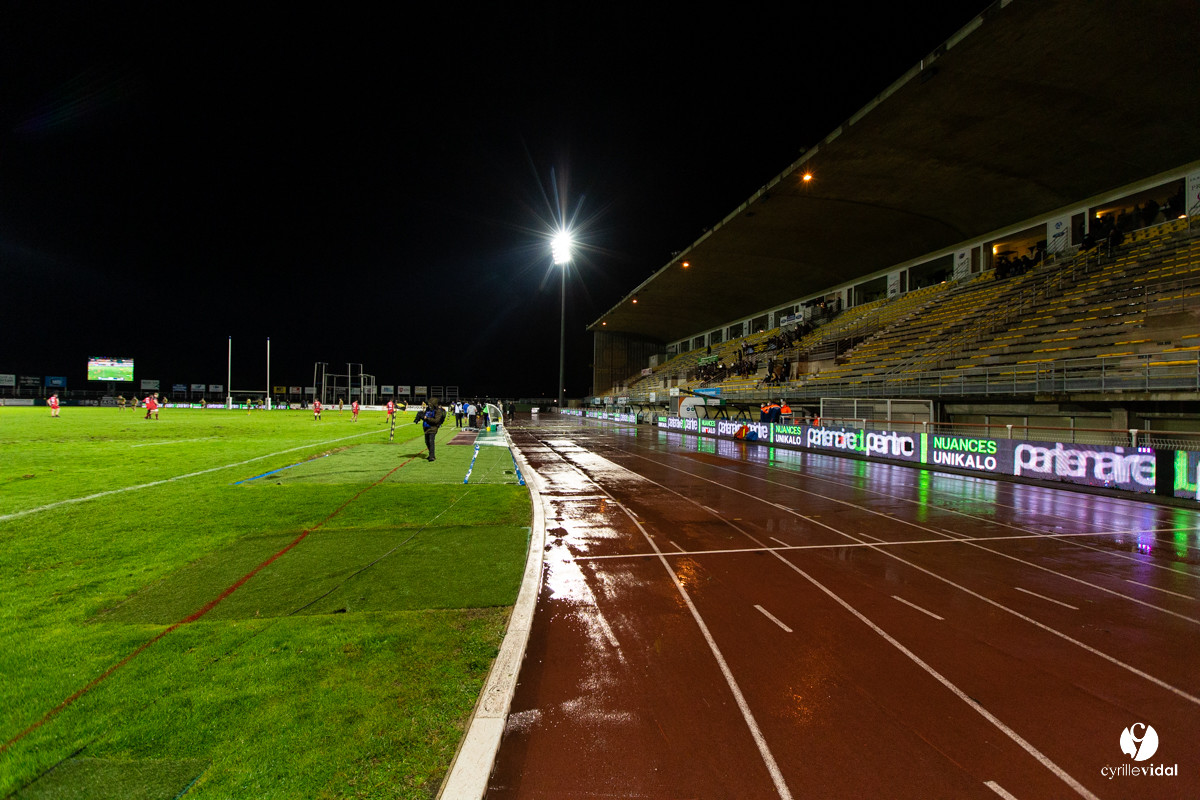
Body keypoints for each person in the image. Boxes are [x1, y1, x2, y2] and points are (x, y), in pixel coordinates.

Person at [418, 397, 446, 461]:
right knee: (427, 442)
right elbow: (425, 416)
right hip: (426, 427)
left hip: (433, 428)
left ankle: (432, 456)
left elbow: (436, 420)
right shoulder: (428, 409)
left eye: (431, 403)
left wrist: (427, 418)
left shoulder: (438, 411)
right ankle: (431, 454)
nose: (429, 405)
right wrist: (421, 416)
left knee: (431, 441)